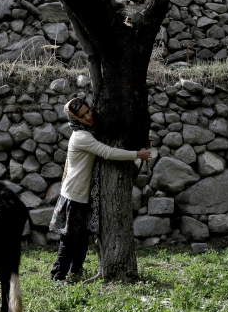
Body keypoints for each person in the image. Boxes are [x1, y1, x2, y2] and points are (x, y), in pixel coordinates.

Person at [48, 97, 151, 281]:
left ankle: (75, 271)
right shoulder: (82, 137)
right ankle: (58, 275)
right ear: (75, 118)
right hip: (74, 194)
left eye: (88, 111)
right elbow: (108, 152)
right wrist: (137, 154)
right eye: (82, 115)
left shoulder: (88, 132)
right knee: (71, 239)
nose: (88, 116)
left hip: (79, 193)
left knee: (81, 238)